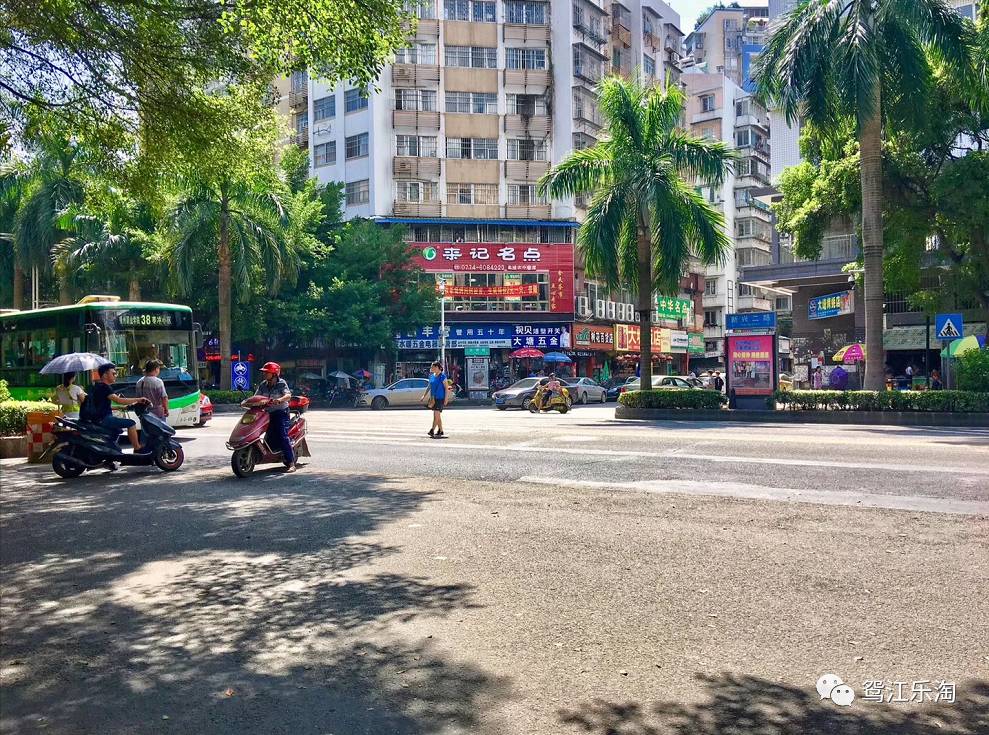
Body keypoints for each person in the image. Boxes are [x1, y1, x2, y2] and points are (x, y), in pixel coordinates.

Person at [79, 363, 149, 452]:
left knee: (117, 430)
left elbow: (101, 405)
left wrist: (120, 407)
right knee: (131, 423)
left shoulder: (96, 386)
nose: (115, 376)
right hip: (104, 419)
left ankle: (110, 448)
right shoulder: (105, 387)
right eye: (113, 373)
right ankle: (137, 448)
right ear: (105, 375)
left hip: (97, 418)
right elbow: (118, 400)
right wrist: (139, 399)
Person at [255, 361, 296, 472]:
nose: (264, 374)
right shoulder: (263, 384)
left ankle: (291, 463)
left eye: (266, 372)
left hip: (280, 413)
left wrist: (280, 400)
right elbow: (256, 397)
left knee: (283, 436)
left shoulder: (281, 383)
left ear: (274, 373)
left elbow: (288, 395)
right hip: (266, 413)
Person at [420, 361, 448, 438]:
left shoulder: (443, 376)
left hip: (440, 398)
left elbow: (446, 388)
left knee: (436, 415)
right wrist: (424, 396)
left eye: (433, 367)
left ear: (438, 368)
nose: (431, 368)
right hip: (433, 398)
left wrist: (446, 398)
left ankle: (432, 430)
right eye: (431, 367)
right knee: (437, 416)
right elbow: (429, 387)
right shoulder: (432, 376)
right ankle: (441, 430)